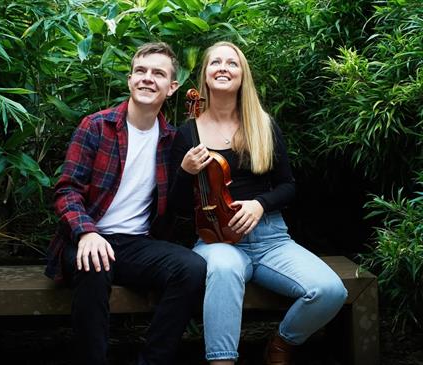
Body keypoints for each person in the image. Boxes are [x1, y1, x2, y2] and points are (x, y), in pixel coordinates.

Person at [169, 41, 348, 365]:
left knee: (330, 290)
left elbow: (288, 186)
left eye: (232, 63)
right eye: (216, 63)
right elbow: (178, 206)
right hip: (216, 239)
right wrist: (184, 173)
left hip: (270, 238)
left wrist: (259, 205)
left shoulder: (262, 125)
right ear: (205, 75)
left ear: (242, 75)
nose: (223, 68)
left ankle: (281, 343)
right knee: (224, 268)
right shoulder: (188, 133)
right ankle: (222, 362)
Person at [45, 42, 207, 365]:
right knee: (94, 262)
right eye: (141, 71)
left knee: (193, 267)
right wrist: (87, 232)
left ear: (172, 87)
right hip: (87, 238)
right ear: (130, 80)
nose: (148, 78)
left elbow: (179, 203)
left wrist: (187, 173)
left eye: (158, 73)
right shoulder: (96, 126)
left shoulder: (172, 140)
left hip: (135, 245)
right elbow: (66, 191)